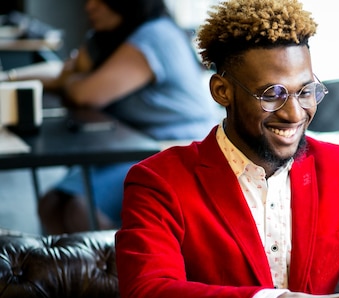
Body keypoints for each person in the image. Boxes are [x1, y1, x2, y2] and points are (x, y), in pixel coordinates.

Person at [115, 0, 339, 298]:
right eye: (272, 94)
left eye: (306, 91)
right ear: (222, 92)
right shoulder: (158, 181)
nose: (294, 113)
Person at [27, 0, 219, 233]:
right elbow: (66, 77)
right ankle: (88, 268)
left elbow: (85, 95)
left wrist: (73, 78)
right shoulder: (114, 38)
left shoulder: (154, 35)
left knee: (80, 209)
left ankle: (121, 266)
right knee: (51, 205)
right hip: (131, 145)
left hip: (175, 149)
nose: (89, 7)